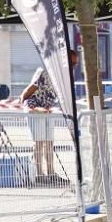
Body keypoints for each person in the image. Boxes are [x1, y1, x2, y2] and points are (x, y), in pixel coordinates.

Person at [21, 50, 79, 186]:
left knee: (49, 141)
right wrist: (26, 104)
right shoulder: (45, 70)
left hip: (48, 108)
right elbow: (29, 90)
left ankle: (51, 173)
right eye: (73, 62)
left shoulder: (65, 75)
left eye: (76, 63)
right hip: (35, 107)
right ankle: (39, 175)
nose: (74, 66)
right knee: (39, 142)